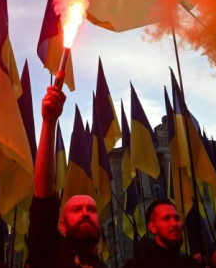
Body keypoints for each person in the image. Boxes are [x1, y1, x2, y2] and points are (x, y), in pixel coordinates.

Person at [26, 86, 106, 268]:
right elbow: (44, 197)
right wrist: (49, 122)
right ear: (62, 225)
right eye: (77, 210)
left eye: (91, 210)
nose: (85, 214)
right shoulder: (50, 252)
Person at [122, 199, 202, 267]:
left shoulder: (192, 265)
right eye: (166, 218)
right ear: (153, 227)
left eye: (176, 218)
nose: (174, 223)